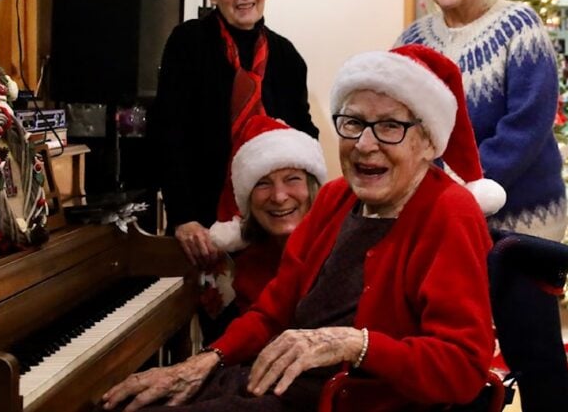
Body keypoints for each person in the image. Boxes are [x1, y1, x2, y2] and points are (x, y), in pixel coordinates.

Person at [101, 45, 502, 412]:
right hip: (271, 383)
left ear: (429, 142)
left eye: (390, 127)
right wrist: (205, 361)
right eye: (353, 123)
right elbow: (273, 311)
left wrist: (352, 343)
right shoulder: (334, 199)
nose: (364, 144)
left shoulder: (449, 212)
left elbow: (463, 371)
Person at [148, 0, 318, 268]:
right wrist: (183, 217)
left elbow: (304, 138)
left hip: (272, 224)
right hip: (201, 227)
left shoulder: (286, 56)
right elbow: (168, 135)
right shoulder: (187, 43)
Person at [397, 0, 567, 241]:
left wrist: (466, 183)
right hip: (439, 212)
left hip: (523, 217)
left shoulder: (519, 25)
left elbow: (527, 122)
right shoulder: (411, 40)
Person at [199, 115, 327, 342]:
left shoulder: (340, 251)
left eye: (292, 179)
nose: (278, 197)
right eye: (262, 183)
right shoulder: (236, 273)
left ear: (312, 188)